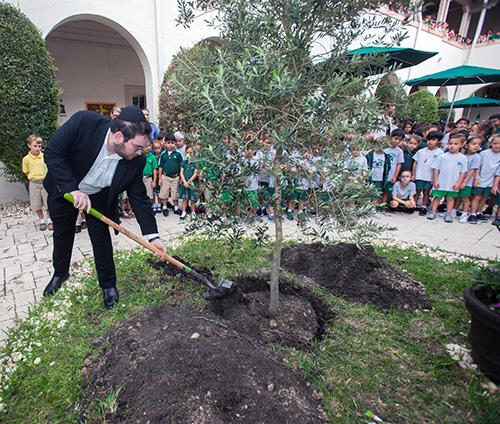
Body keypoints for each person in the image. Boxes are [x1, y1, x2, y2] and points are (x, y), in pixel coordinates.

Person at [42, 106, 168, 309]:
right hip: (65, 189)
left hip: (99, 196)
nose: (139, 153)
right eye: (137, 147)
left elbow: (139, 198)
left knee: (101, 241)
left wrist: (153, 237)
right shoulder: (83, 123)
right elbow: (53, 154)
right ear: (119, 136)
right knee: (63, 234)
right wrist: (72, 189)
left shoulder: (136, 161)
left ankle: (108, 286)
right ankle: (60, 273)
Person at [427, 135, 467, 222]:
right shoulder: (442, 156)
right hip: (441, 182)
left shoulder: (463, 158)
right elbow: (436, 169)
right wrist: (436, 180)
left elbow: (463, 172)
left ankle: (448, 213)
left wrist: (459, 183)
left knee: (450, 198)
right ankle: (433, 211)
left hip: (453, 182)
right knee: (437, 197)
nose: (452, 146)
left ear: (462, 145)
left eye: (455, 144)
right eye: (450, 143)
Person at [22, 134, 53, 231]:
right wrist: (32, 177)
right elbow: (26, 171)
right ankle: (42, 221)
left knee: (47, 202)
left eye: (39, 146)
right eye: (35, 146)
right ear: (29, 145)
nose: (37, 148)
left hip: (45, 182)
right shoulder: (26, 159)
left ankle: (49, 219)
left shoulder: (44, 156)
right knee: (37, 203)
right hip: (34, 183)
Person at [469, 134, 500, 223]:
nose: (497, 145)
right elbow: (478, 166)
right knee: (477, 196)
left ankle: (479, 212)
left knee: (484, 197)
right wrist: (476, 178)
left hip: (491, 180)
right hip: (480, 178)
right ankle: (473, 213)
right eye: (495, 143)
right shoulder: (484, 153)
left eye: (499, 144)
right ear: (491, 143)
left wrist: (495, 185)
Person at [413, 130, 444, 215]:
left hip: (429, 176)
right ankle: (414, 205)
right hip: (419, 174)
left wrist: (435, 178)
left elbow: (440, 167)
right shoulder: (421, 151)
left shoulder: (440, 153)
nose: (430, 142)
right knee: (417, 191)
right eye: (429, 139)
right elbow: (415, 163)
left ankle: (424, 206)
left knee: (426, 192)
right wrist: (413, 174)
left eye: (433, 140)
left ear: (439, 141)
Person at [457, 136, 482, 223]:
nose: (476, 146)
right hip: (459, 180)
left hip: (467, 182)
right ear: (466, 146)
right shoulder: (463, 156)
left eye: (478, 145)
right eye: (473, 144)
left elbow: (472, 171)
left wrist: (464, 181)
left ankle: (465, 213)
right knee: (458, 197)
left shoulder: (477, 157)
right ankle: (454, 210)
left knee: (465, 198)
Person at [158, 136, 183, 216]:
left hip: (175, 177)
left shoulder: (178, 154)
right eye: (168, 143)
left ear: (175, 143)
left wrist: (181, 178)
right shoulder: (163, 155)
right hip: (165, 177)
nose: (170, 145)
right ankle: (164, 208)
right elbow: (160, 167)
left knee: (175, 194)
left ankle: (176, 208)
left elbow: (181, 166)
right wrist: (159, 179)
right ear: (165, 144)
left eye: (172, 143)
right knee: (164, 193)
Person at [381, 129, 405, 205]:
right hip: (381, 173)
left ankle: (383, 205)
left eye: (400, 140)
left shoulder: (399, 151)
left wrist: (395, 176)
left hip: (391, 173)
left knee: (386, 191)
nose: (397, 141)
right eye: (396, 138)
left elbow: (399, 164)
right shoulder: (384, 149)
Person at [178, 144, 199, 220]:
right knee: (185, 199)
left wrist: (189, 182)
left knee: (193, 200)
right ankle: (184, 212)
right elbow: (181, 173)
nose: (189, 154)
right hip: (185, 183)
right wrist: (184, 182)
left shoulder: (195, 162)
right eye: (187, 152)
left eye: (191, 153)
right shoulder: (184, 162)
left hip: (192, 183)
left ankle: (193, 212)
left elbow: (195, 173)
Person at [142, 140, 158, 209]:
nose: (147, 147)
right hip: (140, 178)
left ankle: (149, 207)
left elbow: (154, 170)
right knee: (141, 194)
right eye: (145, 145)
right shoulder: (140, 155)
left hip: (149, 178)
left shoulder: (152, 157)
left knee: (150, 194)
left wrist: (154, 181)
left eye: (149, 145)